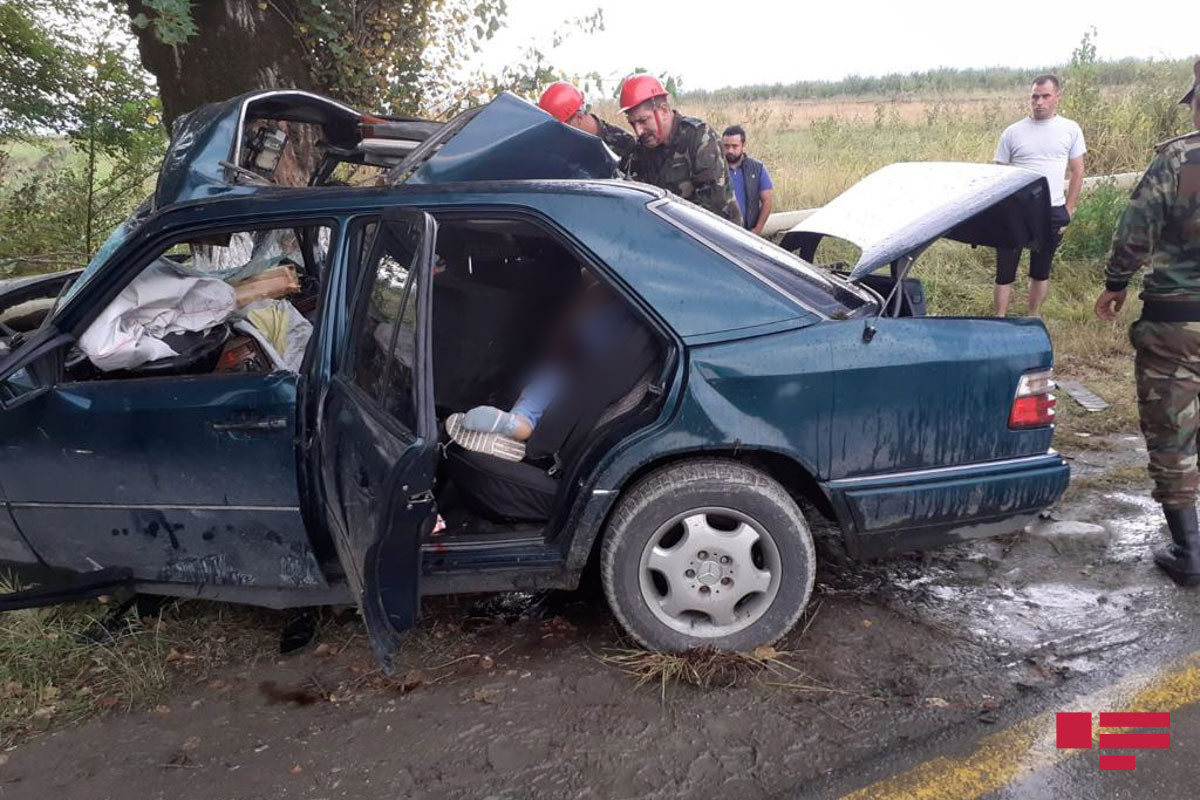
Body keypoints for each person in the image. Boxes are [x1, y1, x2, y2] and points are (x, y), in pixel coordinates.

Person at [1094, 59, 1200, 587]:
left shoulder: (1179, 160)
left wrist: (1115, 283)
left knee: (1173, 433)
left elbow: (1136, 230)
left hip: (1179, 323)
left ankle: (1190, 553)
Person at [459, 274, 622, 442]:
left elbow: (568, 330)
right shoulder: (626, 306)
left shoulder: (598, 295)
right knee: (544, 387)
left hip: (576, 362)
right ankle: (515, 424)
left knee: (541, 390)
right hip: (590, 369)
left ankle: (517, 423)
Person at [993, 74, 1087, 316]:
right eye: (1035, 96)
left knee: (1041, 269)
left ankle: (1033, 316)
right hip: (1015, 211)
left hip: (1051, 209)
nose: (1040, 102)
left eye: (1046, 96)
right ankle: (1000, 318)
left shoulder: (1070, 129)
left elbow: (1078, 171)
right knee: (1005, 271)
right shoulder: (1012, 133)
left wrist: (1069, 208)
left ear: (1057, 97)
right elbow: (997, 176)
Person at [619, 74, 742, 224]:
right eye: (633, 124)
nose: (639, 131)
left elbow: (713, 209)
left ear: (663, 110)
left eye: (643, 121)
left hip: (714, 238)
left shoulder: (698, 137)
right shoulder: (641, 148)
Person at [537, 81, 635, 161]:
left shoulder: (624, 143)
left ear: (579, 118)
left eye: (562, 130)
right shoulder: (558, 151)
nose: (559, 137)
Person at [722, 125, 775, 235]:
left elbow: (767, 201)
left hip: (747, 233)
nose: (730, 150)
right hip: (720, 232)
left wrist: (757, 231)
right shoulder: (715, 169)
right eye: (726, 146)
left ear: (743, 145)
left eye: (734, 146)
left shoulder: (757, 169)